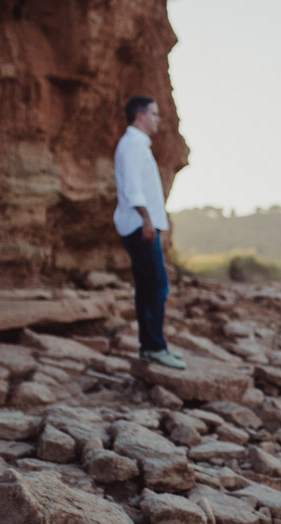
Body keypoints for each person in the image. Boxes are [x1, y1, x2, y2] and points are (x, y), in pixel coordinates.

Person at [113, 94, 184, 370]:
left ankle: (151, 347)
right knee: (156, 285)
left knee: (148, 286)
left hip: (141, 224)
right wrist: (146, 220)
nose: (158, 120)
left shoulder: (138, 145)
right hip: (138, 224)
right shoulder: (131, 144)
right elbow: (133, 188)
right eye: (154, 114)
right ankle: (154, 348)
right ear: (140, 115)